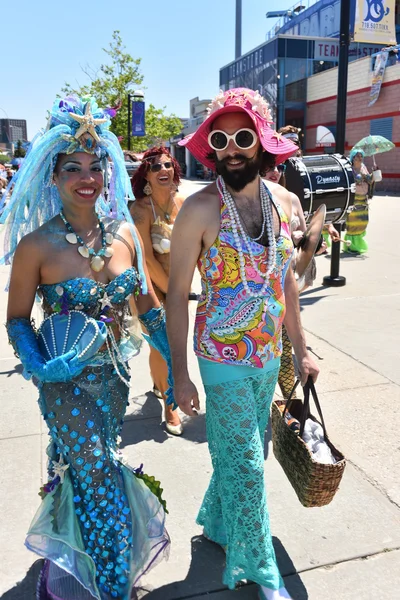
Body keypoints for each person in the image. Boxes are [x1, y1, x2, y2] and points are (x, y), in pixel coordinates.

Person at [1, 96, 171, 600]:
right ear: (50, 177)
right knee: (99, 476)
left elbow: (147, 306)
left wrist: (180, 369)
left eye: (96, 166)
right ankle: (112, 587)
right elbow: (15, 320)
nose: (86, 177)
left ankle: (74, 567)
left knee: (80, 466)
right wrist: (38, 365)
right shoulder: (36, 245)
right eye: (72, 167)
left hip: (115, 379)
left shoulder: (123, 233)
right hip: (64, 384)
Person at [166, 88, 320, 600]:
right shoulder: (199, 210)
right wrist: (180, 375)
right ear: (210, 146)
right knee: (248, 465)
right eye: (220, 138)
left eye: (243, 136)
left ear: (263, 142)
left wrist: (301, 348)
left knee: (249, 451)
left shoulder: (286, 203)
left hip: (268, 353)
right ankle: (258, 568)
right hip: (222, 357)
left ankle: (215, 520)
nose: (232, 148)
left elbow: (287, 283)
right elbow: (175, 298)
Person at [130, 147, 184, 436]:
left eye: (168, 164)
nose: (164, 169)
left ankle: (159, 384)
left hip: (179, 288)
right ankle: (170, 404)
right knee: (163, 347)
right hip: (150, 288)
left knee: (173, 346)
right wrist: (172, 292)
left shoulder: (185, 204)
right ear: (147, 176)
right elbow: (146, 259)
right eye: (156, 167)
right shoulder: (139, 209)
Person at [344, 149, 374, 255]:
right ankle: (352, 246)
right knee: (353, 224)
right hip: (354, 201)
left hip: (363, 200)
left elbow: (369, 180)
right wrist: (357, 178)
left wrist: (374, 174)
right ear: (353, 158)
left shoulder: (363, 167)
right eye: (357, 156)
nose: (360, 158)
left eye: (361, 156)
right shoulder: (349, 169)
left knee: (363, 222)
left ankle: (357, 245)